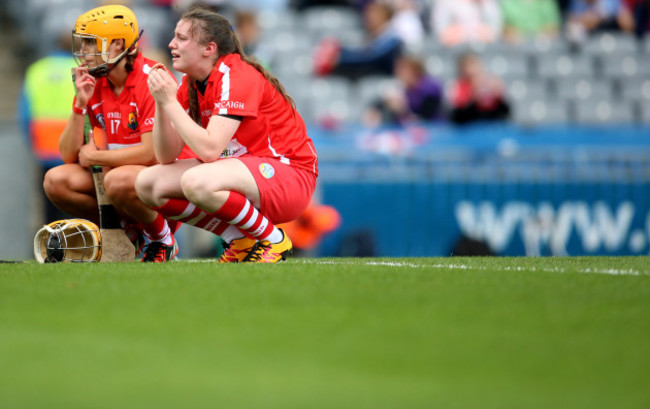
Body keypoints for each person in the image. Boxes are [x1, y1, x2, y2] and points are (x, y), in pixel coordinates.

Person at [135, 7, 318, 263]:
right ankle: (238, 239)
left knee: (196, 181)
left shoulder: (236, 74)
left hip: (289, 175)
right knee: (148, 184)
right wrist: (162, 102)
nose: (171, 44)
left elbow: (209, 150)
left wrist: (171, 103)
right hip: (245, 172)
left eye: (182, 38)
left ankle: (275, 240)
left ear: (208, 49)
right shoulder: (191, 80)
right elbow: (165, 156)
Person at [42, 5, 179, 262]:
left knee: (115, 180)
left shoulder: (152, 78)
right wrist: (79, 106)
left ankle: (162, 238)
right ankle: (124, 233)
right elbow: (68, 155)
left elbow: (152, 155)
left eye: (90, 44)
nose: (83, 52)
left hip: (162, 180)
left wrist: (98, 159)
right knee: (55, 181)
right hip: (121, 180)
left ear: (117, 44)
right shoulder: (95, 81)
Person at [17, 32, 77, 223]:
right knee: (78, 204)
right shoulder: (83, 70)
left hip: (45, 146)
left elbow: (24, 113)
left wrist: (32, 143)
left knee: (50, 206)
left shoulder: (37, 69)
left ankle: (50, 247)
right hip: (78, 149)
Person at [314, 1, 403, 80]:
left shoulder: (392, 39)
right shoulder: (374, 36)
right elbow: (361, 52)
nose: (369, 18)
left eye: (374, 14)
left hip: (384, 82)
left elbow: (369, 57)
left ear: (385, 15)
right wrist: (340, 50)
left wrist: (341, 58)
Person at [364, 54, 444, 127]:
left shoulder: (430, 87)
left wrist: (403, 110)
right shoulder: (402, 87)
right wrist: (375, 111)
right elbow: (382, 104)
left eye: (402, 69)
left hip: (433, 130)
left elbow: (425, 118)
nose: (398, 73)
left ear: (414, 70)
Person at [448, 52, 510, 125]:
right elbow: (459, 113)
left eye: (473, 65)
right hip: (468, 126)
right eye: (467, 66)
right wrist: (473, 94)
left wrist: (497, 95)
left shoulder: (491, 84)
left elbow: (504, 110)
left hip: (490, 124)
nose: (470, 70)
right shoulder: (458, 86)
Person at [430, 0, 503, 47]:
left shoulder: (487, 3)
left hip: (483, 49)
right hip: (453, 49)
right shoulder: (445, 2)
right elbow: (440, 31)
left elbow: (495, 31)